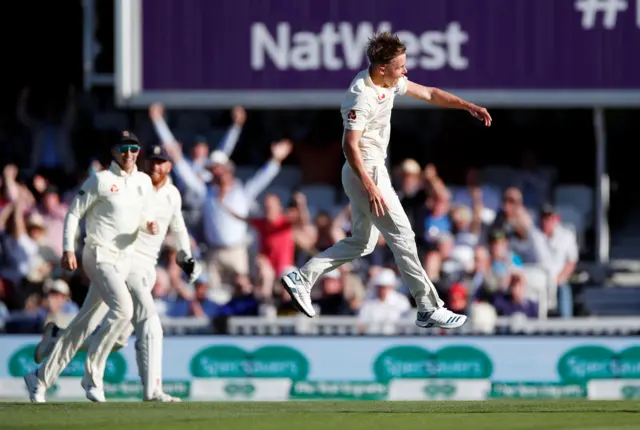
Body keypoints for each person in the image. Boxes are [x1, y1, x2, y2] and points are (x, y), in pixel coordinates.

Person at [281, 32, 492, 329]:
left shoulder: (389, 82)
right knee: (403, 237)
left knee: (363, 243)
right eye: (400, 66)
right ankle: (428, 306)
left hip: (365, 172)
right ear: (382, 68)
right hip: (365, 171)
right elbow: (349, 145)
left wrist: (467, 105)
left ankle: (302, 278)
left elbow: (430, 93)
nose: (405, 71)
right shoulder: (361, 94)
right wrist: (370, 186)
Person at [33, 145, 202, 402]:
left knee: (114, 336)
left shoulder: (171, 194)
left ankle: (54, 347)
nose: (156, 166)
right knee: (148, 320)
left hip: (146, 268)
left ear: (169, 166)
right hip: (123, 263)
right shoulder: (135, 183)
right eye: (152, 161)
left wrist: (186, 258)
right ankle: (151, 390)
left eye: (161, 162)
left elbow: (178, 229)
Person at [23, 131, 160, 403]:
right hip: (98, 254)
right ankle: (93, 377)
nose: (129, 153)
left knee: (82, 327)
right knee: (124, 310)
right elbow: (74, 213)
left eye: (133, 148)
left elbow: (144, 215)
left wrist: (149, 225)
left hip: (123, 260)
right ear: (114, 151)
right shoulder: (101, 180)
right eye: (124, 149)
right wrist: (68, 249)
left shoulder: (143, 181)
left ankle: (39, 378)